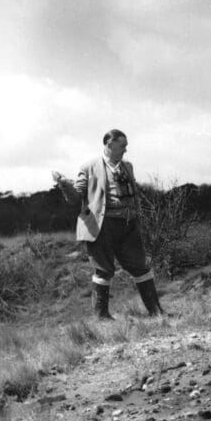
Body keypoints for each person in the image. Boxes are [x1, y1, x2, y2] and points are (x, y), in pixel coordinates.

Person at [52, 129, 162, 319]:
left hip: (129, 224)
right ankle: (101, 317)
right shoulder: (89, 166)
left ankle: (156, 312)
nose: (126, 150)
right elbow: (75, 197)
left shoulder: (128, 166)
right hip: (102, 225)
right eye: (122, 146)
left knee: (140, 267)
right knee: (103, 269)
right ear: (109, 145)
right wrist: (64, 184)